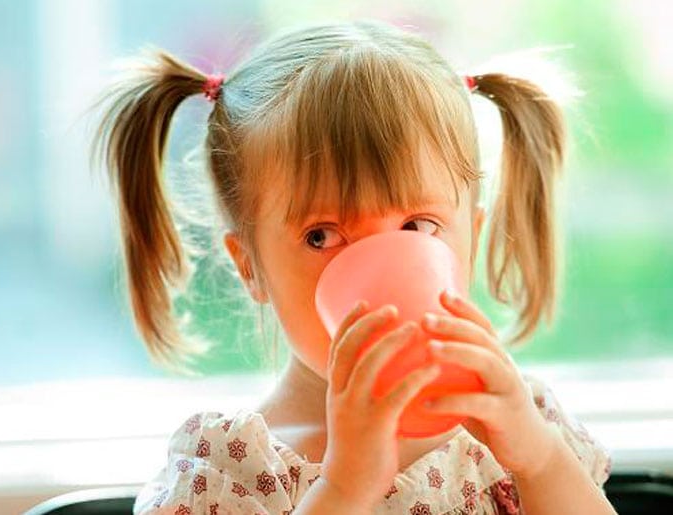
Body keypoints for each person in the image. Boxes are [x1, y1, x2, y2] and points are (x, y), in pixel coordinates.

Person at [89, 19, 614, 514]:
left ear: (470, 240)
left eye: (417, 226)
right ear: (250, 267)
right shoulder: (232, 474)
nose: (381, 277)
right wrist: (342, 488)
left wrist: (539, 458)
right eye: (322, 235)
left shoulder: (521, 427)